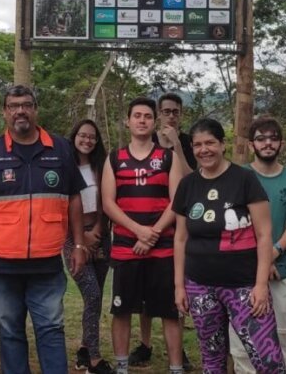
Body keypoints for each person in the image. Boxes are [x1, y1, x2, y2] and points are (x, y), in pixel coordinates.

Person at [0, 85, 88, 374]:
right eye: (14, 105)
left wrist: (79, 245)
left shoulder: (60, 149)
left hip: (47, 263)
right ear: (5, 112)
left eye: (27, 104)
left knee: (51, 328)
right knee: (9, 329)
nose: (20, 110)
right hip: (2, 263)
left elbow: (74, 198)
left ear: (35, 109)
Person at [172, 118, 286, 374]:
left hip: (244, 284)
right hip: (199, 285)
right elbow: (180, 238)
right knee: (212, 359)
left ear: (222, 144)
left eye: (210, 142)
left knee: (268, 360)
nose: (204, 150)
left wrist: (260, 285)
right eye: (198, 145)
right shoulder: (187, 185)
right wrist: (180, 286)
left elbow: (264, 234)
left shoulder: (244, 179)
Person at [101, 98, 189, 374]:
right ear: (127, 121)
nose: (142, 120)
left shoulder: (167, 157)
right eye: (137, 116)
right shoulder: (115, 158)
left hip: (163, 248)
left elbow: (177, 201)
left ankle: (175, 367)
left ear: (154, 122)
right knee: (122, 310)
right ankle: (122, 367)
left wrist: (152, 234)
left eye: (147, 116)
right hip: (126, 248)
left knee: (169, 312)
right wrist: (138, 231)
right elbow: (108, 203)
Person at [229, 117, 286, 374]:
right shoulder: (238, 176)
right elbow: (234, 222)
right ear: (252, 144)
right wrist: (261, 262)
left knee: (281, 334)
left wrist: (273, 254)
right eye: (261, 138)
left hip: (281, 269)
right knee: (242, 338)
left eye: (273, 138)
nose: (267, 143)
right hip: (243, 270)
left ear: (281, 144)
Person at [133, 92, 197, 371]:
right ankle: (145, 343)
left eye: (176, 111)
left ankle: (178, 347)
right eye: (166, 111)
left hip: (177, 226)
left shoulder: (189, 142)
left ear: (181, 114)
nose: (171, 115)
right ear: (158, 113)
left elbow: (191, 181)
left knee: (175, 291)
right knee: (144, 293)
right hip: (144, 224)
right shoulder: (145, 139)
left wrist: (176, 148)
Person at [66, 119, 115, 374]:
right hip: (73, 239)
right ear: (74, 137)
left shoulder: (101, 166)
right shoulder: (65, 165)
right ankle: (95, 359)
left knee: (93, 300)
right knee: (92, 294)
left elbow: (108, 201)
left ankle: (85, 349)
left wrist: (97, 229)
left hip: (101, 236)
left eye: (92, 137)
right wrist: (80, 237)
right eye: (83, 135)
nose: (87, 140)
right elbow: (60, 204)